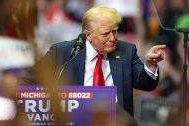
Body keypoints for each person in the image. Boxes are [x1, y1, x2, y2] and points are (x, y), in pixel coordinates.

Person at [37, 6, 165, 117]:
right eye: (106, 34)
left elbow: (145, 83)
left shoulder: (126, 51)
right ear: (88, 35)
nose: (113, 38)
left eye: (115, 31)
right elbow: (29, 82)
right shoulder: (63, 52)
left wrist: (150, 65)